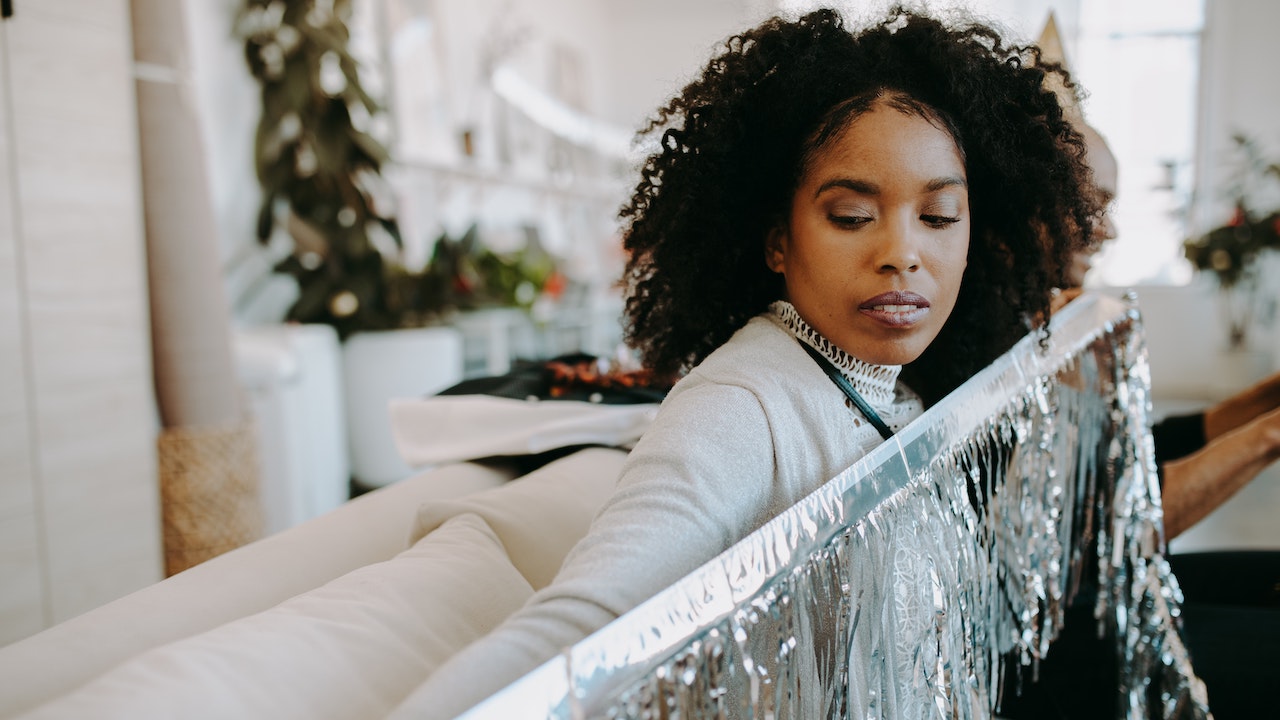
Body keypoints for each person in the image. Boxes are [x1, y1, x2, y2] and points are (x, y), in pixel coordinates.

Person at [397, 8, 1100, 718]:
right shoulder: (738, 405)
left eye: (940, 216)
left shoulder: (901, 387)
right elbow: (586, 622)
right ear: (776, 241)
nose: (902, 253)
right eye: (853, 216)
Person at [1049, 124, 1280, 720]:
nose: (1110, 228)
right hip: (1082, 641)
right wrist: (1270, 434)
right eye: (1089, 203)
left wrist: (1262, 403)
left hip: (1124, 589)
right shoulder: (1031, 344)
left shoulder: (1066, 316)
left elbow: (1136, 458)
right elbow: (1114, 529)